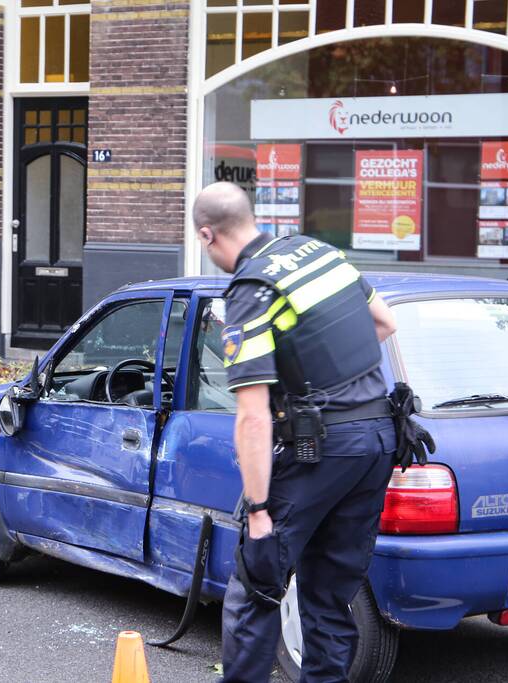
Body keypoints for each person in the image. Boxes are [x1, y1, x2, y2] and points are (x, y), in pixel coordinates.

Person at [193, 182, 400, 683]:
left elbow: (253, 415)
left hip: (318, 450)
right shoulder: (320, 251)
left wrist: (260, 510)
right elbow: (383, 322)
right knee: (330, 594)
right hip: (378, 441)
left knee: (256, 587)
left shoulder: (251, 290)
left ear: (207, 235)